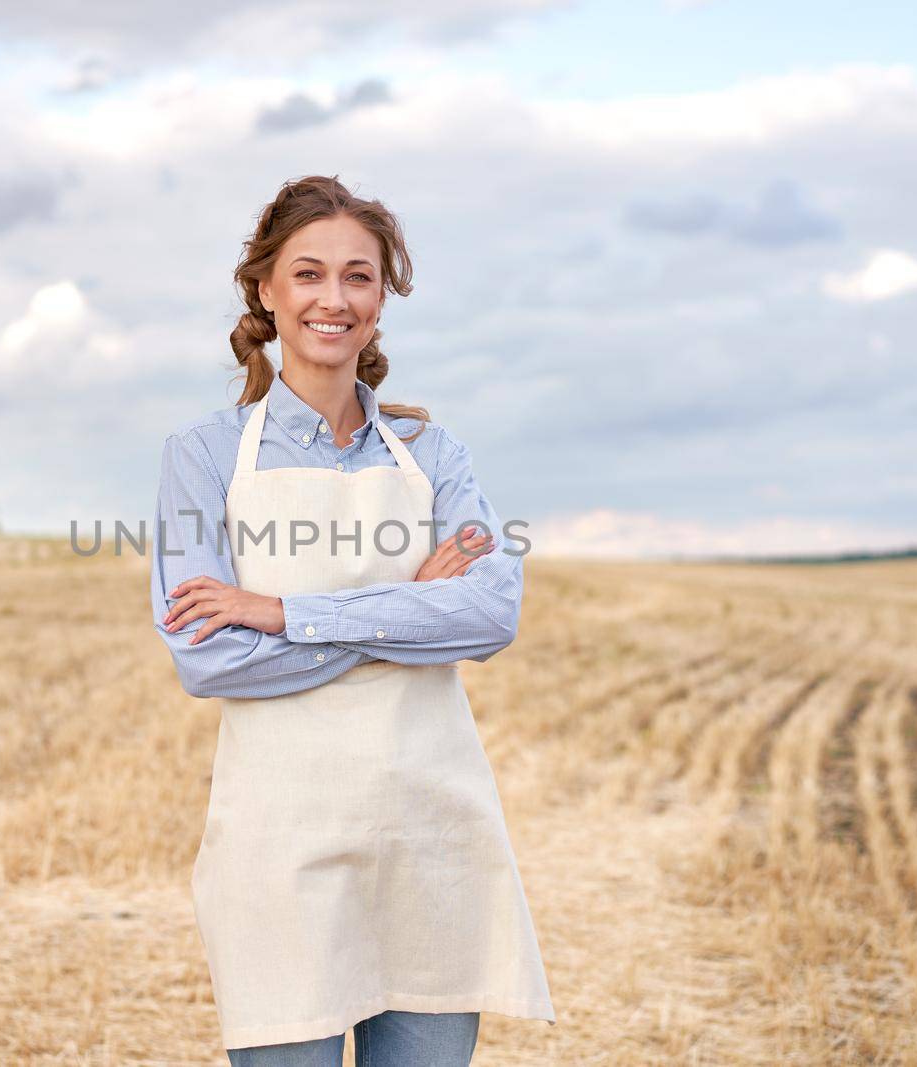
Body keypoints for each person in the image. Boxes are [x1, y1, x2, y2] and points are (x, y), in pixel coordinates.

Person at [150, 174, 554, 1065]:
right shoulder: (202, 458)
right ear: (266, 290)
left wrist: (284, 612)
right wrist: (410, 606)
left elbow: (489, 612)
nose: (334, 299)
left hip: (433, 835)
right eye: (308, 274)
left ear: (382, 297)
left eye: (359, 277)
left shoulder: (436, 453)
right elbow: (207, 658)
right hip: (280, 844)